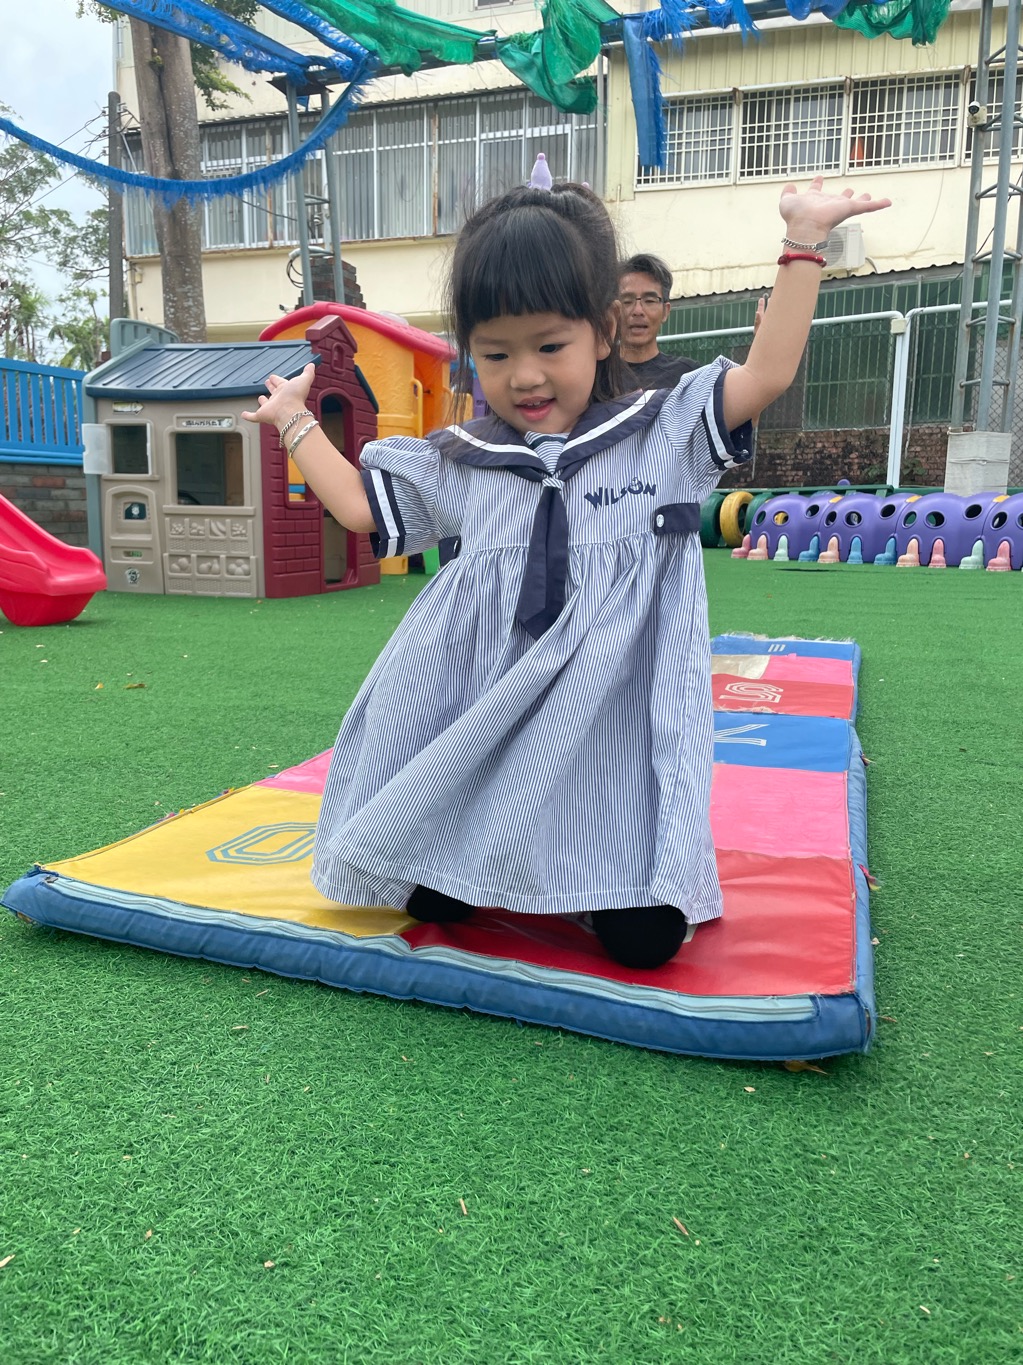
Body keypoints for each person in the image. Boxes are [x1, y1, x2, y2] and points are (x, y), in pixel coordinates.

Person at [243, 174, 889, 970]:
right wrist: (294, 418)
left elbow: (767, 376)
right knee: (438, 873)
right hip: (486, 689)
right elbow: (356, 507)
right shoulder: (466, 461)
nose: (524, 375)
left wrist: (803, 244)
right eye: (495, 353)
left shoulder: (661, 435)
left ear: (603, 332)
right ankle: (462, 857)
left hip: (612, 708)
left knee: (644, 939)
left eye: (549, 346)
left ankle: (611, 879)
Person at [617, 253, 696, 388]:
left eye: (649, 301)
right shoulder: (594, 375)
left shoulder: (688, 376)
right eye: (627, 301)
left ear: (665, 311)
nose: (638, 311)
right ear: (613, 312)